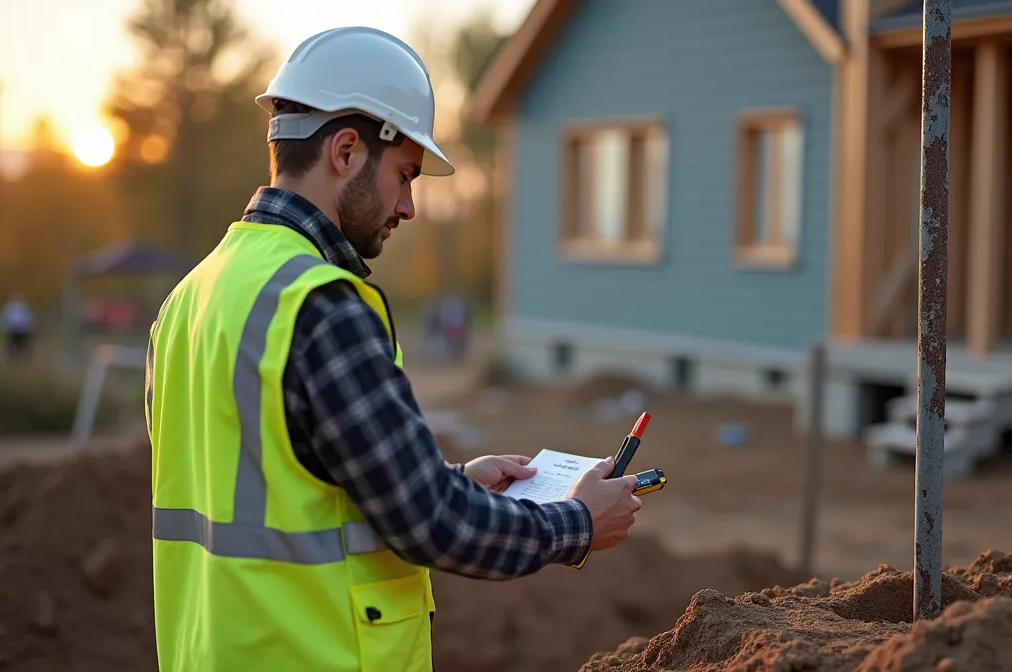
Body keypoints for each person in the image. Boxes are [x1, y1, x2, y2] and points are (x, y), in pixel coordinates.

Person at [144, 26, 643, 672]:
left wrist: (454, 479)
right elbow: (430, 523)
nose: (409, 206)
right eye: (406, 174)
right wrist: (575, 523)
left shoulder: (190, 299)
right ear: (346, 151)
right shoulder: (319, 303)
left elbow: (286, 485)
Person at [0, 293, 33, 361]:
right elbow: (3, 317)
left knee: (23, 342)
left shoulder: (23, 306)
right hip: (12, 329)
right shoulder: (8, 307)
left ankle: (23, 353)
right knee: (12, 342)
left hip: (23, 329)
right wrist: (4, 326)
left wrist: (29, 325)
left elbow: (29, 317)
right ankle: (13, 354)